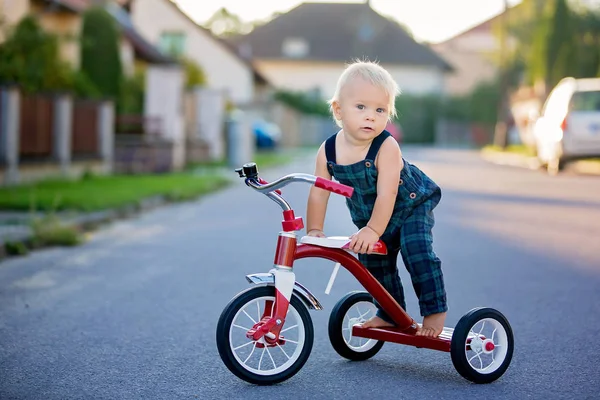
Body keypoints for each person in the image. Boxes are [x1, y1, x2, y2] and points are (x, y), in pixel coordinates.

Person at [305, 60, 447, 338]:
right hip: (373, 217)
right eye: (361, 107)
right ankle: (390, 312)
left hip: (410, 206)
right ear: (338, 110)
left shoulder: (386, 146)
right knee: (373, 263)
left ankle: (434, 312)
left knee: (416, 250)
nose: (371, 116)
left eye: (380, 110)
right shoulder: (329, 150)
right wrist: (314, 229)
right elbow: (319, 191)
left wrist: (372, 230)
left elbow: (388, 193)